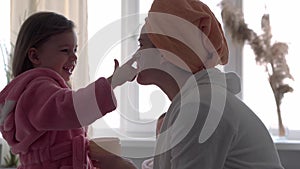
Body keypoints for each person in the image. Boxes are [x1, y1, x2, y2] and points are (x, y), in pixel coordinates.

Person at [133, 0, 285, 169]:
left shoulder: (200, 107)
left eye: (141, 45)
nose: (136, 55)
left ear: (164, 52)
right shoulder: (200, 100)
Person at [0, 11, 137, 169]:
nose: (74, 57)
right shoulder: (36, 89)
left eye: (75, 50)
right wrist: (113, 81)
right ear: (35, 56)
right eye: (65, 50)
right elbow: (70, 108)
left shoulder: (46, 89)